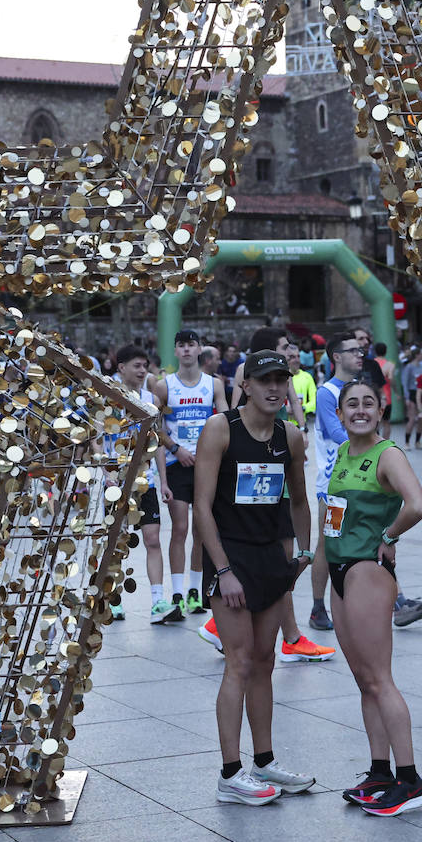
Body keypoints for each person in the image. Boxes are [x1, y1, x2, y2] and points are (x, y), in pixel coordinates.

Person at [193, 350, 317, 805]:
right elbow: (202, 505)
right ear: (245, 385)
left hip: (272, 558)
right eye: (264, 380)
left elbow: (300, 500)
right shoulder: (220, 429)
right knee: (240, 662)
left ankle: (264, 762)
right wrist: (222, 570)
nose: (274, 388)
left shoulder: (291, 436)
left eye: (281, 380)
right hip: (231, 557)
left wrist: (304, 551)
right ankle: (230, 773)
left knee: (266, 661)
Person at [325, 377, 422, 814]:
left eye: (368, 403)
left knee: (380, 679)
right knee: (364, 681)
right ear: (340, 414)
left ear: (381, 411)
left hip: (367, 572)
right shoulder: (342, 453)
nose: (360, 410)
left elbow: (418, 504)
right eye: (352, 404)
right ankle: (379, 772)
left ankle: (410, 779)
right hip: (338, 570)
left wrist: (389, 536)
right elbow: (332, 519)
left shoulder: (386, 454)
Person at [154, 329, 229, 620]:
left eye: (191, 345)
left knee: (201, 529)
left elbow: (226, 420)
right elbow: (154, 426)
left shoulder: (214, 385)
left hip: (206, 465)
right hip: (177, 464)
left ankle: (195, 590)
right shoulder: (164, 386)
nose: (186, 350)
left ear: (200, 350)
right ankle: (176, 590)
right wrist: (176, 449)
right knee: (180, 528)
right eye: (181, 346)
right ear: (175, 351)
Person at [107, 344, 167, 623]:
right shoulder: (108, 397)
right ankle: (113, 600)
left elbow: (159, 446)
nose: (143, 371)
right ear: (121, 368)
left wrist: (164, 482)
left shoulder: (151, 399)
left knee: (153, 538)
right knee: (116, 542)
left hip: (148, 483)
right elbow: (98, 438)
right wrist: (107, 472)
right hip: (117, 482)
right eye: (137, 366)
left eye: (145, 366)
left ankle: (158, 601)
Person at [308, 332, 363, 630]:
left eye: (362, 350)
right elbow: (336, 433)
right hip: (333, 485)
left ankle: (396, 601)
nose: (360, 355)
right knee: (327, 546)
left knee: (372, 536)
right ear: (336, 357)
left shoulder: (360, 389)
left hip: (363, 480)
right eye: (353, 350)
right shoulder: (327, 392)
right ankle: (318, 608)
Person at [287, 345, 316, 430]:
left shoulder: (307, 377)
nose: (296, 360)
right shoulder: (280, 377)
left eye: (298, 356)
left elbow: (314, 400)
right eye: (292, 357)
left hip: (301, 425)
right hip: (283, 424)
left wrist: (302, 408)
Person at [400, 347, 422, 447]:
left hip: (421, 394)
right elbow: (404, 382)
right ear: (417, 355)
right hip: (412, 393)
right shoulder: (409, 367)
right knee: (412, 419)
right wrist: (407, 397)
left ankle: (417, 441)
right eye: (421, 354)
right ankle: (407, 442)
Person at [373, 340, 395, 439]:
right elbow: (391, 378)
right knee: (386, 422)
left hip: (373, 396)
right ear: (386, 351)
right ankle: (385, 444)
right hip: (386, 397)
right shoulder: (390, 364)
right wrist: (396, 392)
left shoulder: (372, 364)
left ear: (375, 351)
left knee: (375, 422)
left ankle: (374, 443)